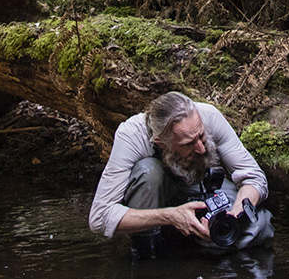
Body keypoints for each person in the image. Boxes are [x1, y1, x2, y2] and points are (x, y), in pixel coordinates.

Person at [88, 91, 273, 253]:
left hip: (201, 193)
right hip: (157, 204)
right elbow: (100, 217)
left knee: (261, 225)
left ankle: (196, 243)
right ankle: (150, 250)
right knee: (148, 171)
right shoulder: (131, 136)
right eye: (188, 144)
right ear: (161, 143)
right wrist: (169, 216)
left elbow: (253, 176)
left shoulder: (209, 116)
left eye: (201, 136)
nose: (201, 148)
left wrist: (234, 216)